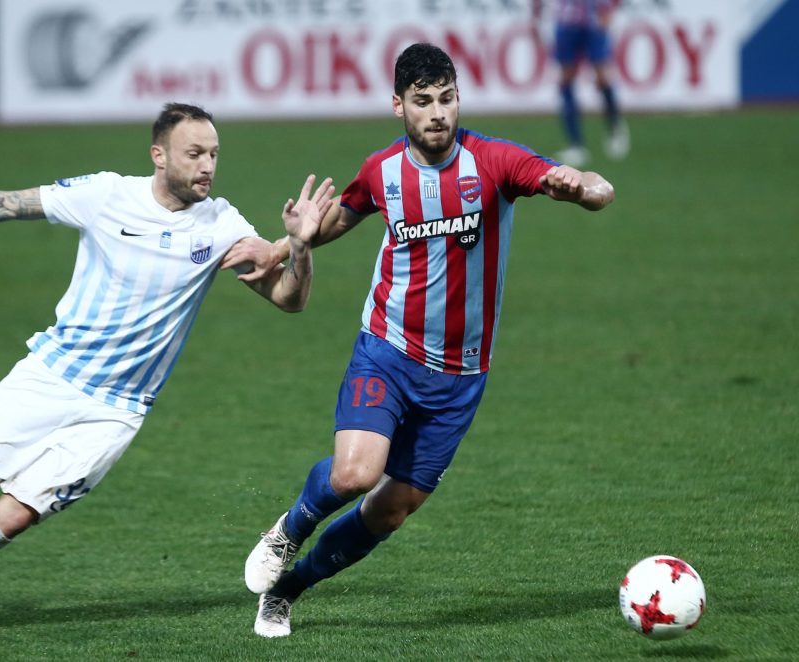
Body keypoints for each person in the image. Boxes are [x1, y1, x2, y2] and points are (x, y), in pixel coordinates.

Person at [0, 102, 334, 635]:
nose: (207, 165)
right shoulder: (106, 195)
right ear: (159, 155)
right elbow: (0, 205)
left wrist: (300, 247)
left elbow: (289, 300)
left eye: (213, 154)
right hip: (50, 377)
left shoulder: (222, 224)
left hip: (117, 412)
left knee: (10, 519)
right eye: (194, 153)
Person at [240, 43, 614, 637]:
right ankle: (289, 529)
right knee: (356, 474)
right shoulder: (382, 171)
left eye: (447, 98)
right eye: (423, 101)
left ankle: (289, 589)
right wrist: (285, 245)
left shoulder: (494, 161)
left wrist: (582, 185)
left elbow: (588, 186)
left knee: (390, 511)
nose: (438, 112)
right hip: (387, 348)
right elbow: (337, 217)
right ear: (399, 106)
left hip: (461, 376)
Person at [532, 0, 630, 166]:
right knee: (566, 80)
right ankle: (576, 144)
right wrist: (537, 16)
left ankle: (615, 127)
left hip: (593, 21)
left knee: (602, 77)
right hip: (566, 22)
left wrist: (606, 11)